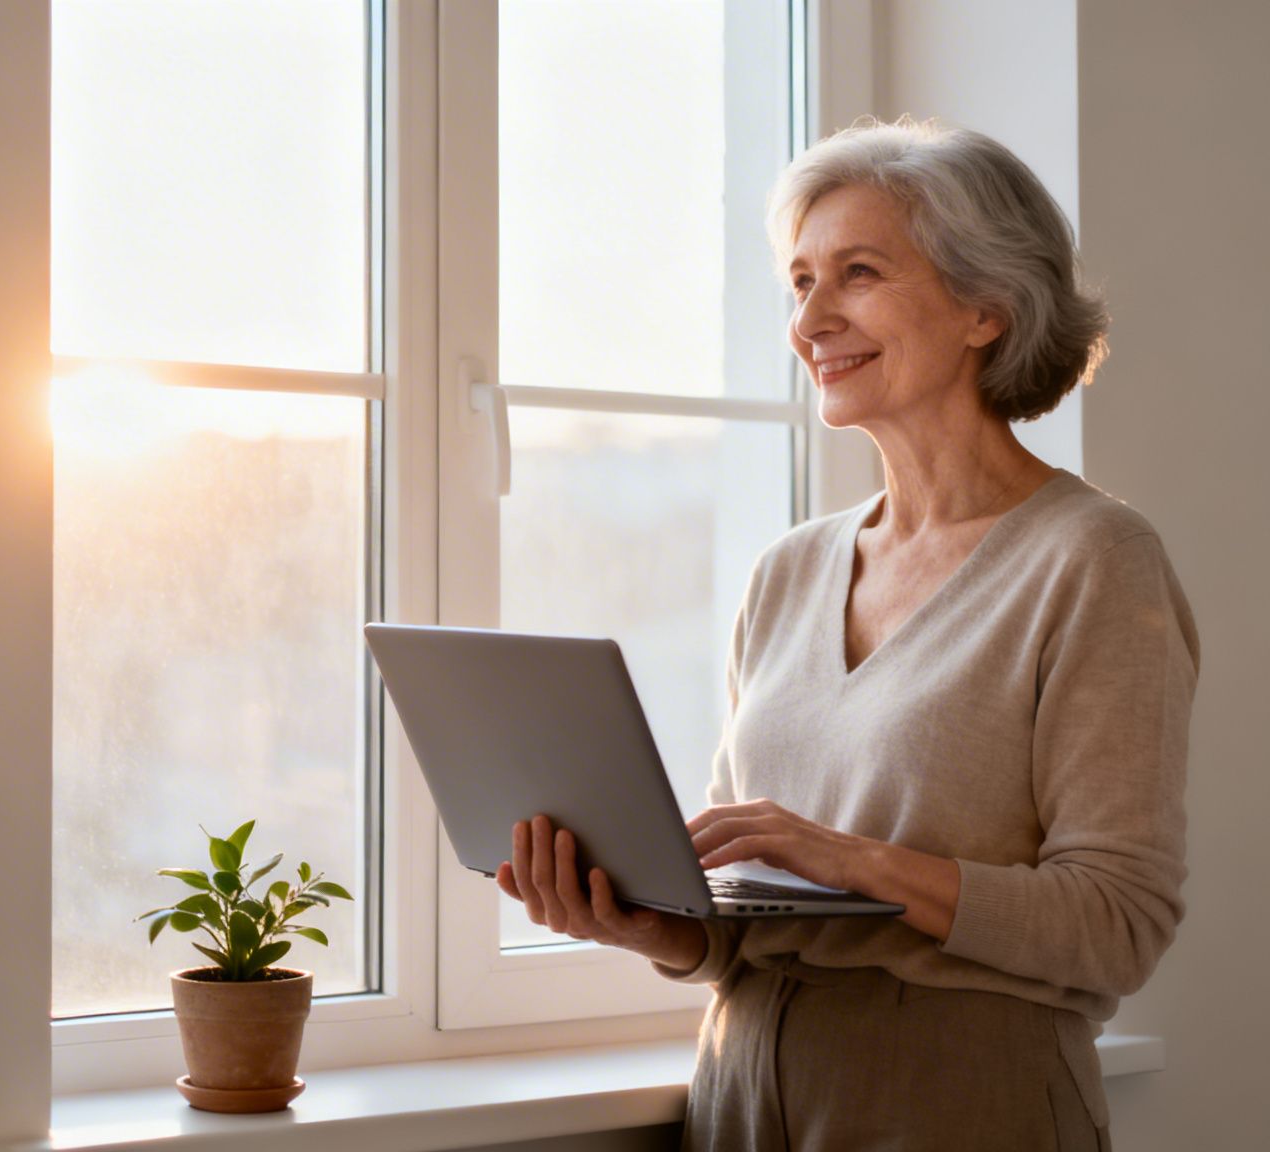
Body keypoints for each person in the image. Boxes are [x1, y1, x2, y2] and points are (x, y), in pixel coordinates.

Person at [498, 117, 1198, 1150]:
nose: (808, 320)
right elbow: (747, 919)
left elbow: (1115, 925)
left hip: (957, 1101)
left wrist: (850, 860)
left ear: (983, 308)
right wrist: (647, 924)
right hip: (738, 1090)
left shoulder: (1092, 559)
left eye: (856, 274)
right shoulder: (786, 572)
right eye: (798, 284)